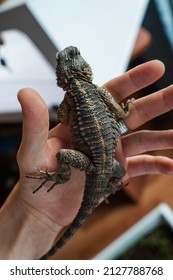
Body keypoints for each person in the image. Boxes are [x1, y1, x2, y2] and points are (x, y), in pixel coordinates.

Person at [0, 60, 173, 260]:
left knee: (63, 155)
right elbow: (119, 112)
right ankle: (108, 188)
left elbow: (63, 119)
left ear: (62, 79)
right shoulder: (97, 90)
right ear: (84, 70)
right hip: (108, 162)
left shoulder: (69, 99)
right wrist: (127, 110)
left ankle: (62, 177)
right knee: (114, 171)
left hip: (94, 162)